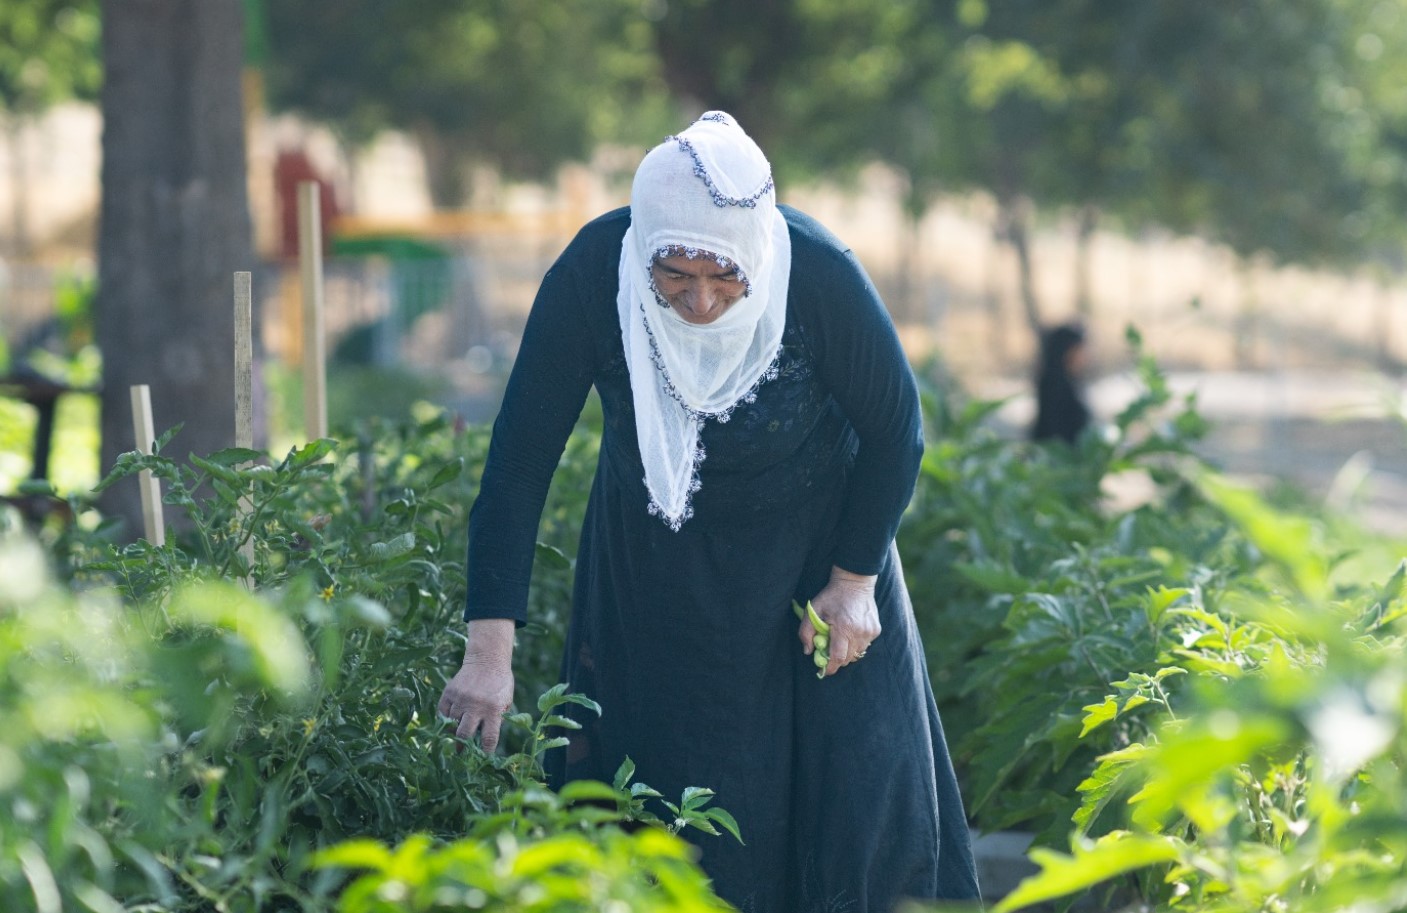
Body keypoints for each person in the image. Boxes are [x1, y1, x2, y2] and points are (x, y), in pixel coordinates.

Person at [437, 112, 980, 913]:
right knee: (666, 816)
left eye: (725, 277)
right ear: (643, 245)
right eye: (674, 274)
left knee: (857, 798)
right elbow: (518, 465)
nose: (698, 301)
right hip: (653, 582)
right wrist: (489, 653)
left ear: (757, 250)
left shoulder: (818, 273)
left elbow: (896, 429)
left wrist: (854, 579)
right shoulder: (596, 273)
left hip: (817, 570)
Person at [1031, 322, 1091, 445]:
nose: (1084, 356)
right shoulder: (1053, 384)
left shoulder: (1072, 382)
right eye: (1079, 350)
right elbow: (1052, 429)